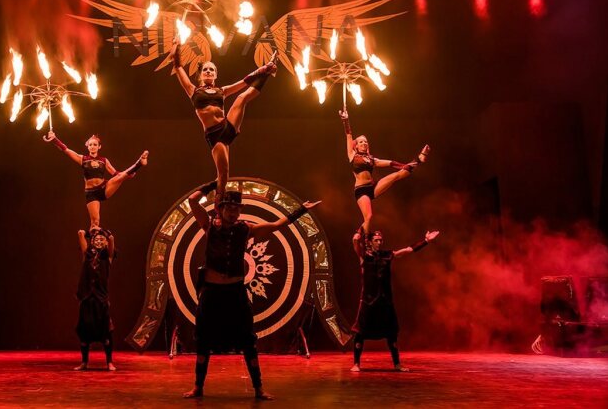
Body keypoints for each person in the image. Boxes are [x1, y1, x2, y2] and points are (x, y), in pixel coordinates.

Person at [182, 183, 320, 400]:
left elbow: (276, 225)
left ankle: (258, 388)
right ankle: (198, 387)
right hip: (211, 293)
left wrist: (300, 210)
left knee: (247, 339)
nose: (233, 212)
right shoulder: (209, 227)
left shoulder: (246, 229)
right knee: (204, 339)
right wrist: (214, 184)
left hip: (235, 293)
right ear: (221, 209)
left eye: (237, 209)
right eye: (230, 208)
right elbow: (192, 201)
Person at [170, 40, 277, 201]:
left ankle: (269, 72)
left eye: (211, 69)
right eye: (205, 69)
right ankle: (219, 202)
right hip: (215, 135)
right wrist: (176, 46)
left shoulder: (222, 91)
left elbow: (244, 82)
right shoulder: (193, 91)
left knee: (242, 98)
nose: (208, 71)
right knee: (223, 173)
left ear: (216, 74)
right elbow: (178, 67)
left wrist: (263, 70)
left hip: (227, 125)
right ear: (200, 75)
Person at [350, 229, 440, 372]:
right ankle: (356, 364)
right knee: (360, 332)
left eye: (381, 240)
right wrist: (358, 233)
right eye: (376, 240)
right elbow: (356, 242)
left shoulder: (387, 255)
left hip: (385, 300)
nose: (379, 242)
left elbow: (407, 250)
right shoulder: (364, 256)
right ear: (370, 242)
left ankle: (397, 364)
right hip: (368, 300)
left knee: (391, 332)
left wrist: (426, 241)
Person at [339, 109, 430, 241]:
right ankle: (366, 242)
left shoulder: (372, 159)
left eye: (365, 141)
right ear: (356, 146)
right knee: (369, 217)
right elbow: (348, 135)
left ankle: (419, 160)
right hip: (361, 191)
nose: (364, 143)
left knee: (395, 176)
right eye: (361, 142)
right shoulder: (352, 155)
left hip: (372, 188)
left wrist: (405, 166)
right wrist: (346, 120)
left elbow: (391, 163)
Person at [43, 131, 148, 228]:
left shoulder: (104, 160)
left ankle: (139, 162)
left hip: (104, 188)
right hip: (91, 193)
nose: (92, 146)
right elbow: (66, 150)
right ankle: (91, 241)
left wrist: (126, 175)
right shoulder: (83, 159)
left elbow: (115, 173)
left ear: (99, 147)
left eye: (95, 145)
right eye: (90, 145)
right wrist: (54, 139)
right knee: (95, 222)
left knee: (120, 177)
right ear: (88, 147)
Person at [74, 227, 117, 371]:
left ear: (105, 242)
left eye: (101, 239)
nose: (99, 241)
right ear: (92, 242)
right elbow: (80, 234)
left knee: (106, 332)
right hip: (87, 298)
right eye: (96, 239)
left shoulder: (108, 256)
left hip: (101, 299)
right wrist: (88, 232)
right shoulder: (87, 255)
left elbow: (111, 239)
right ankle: (84, 362)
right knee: (84, 332)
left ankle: (109, 362)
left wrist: (104, 232)